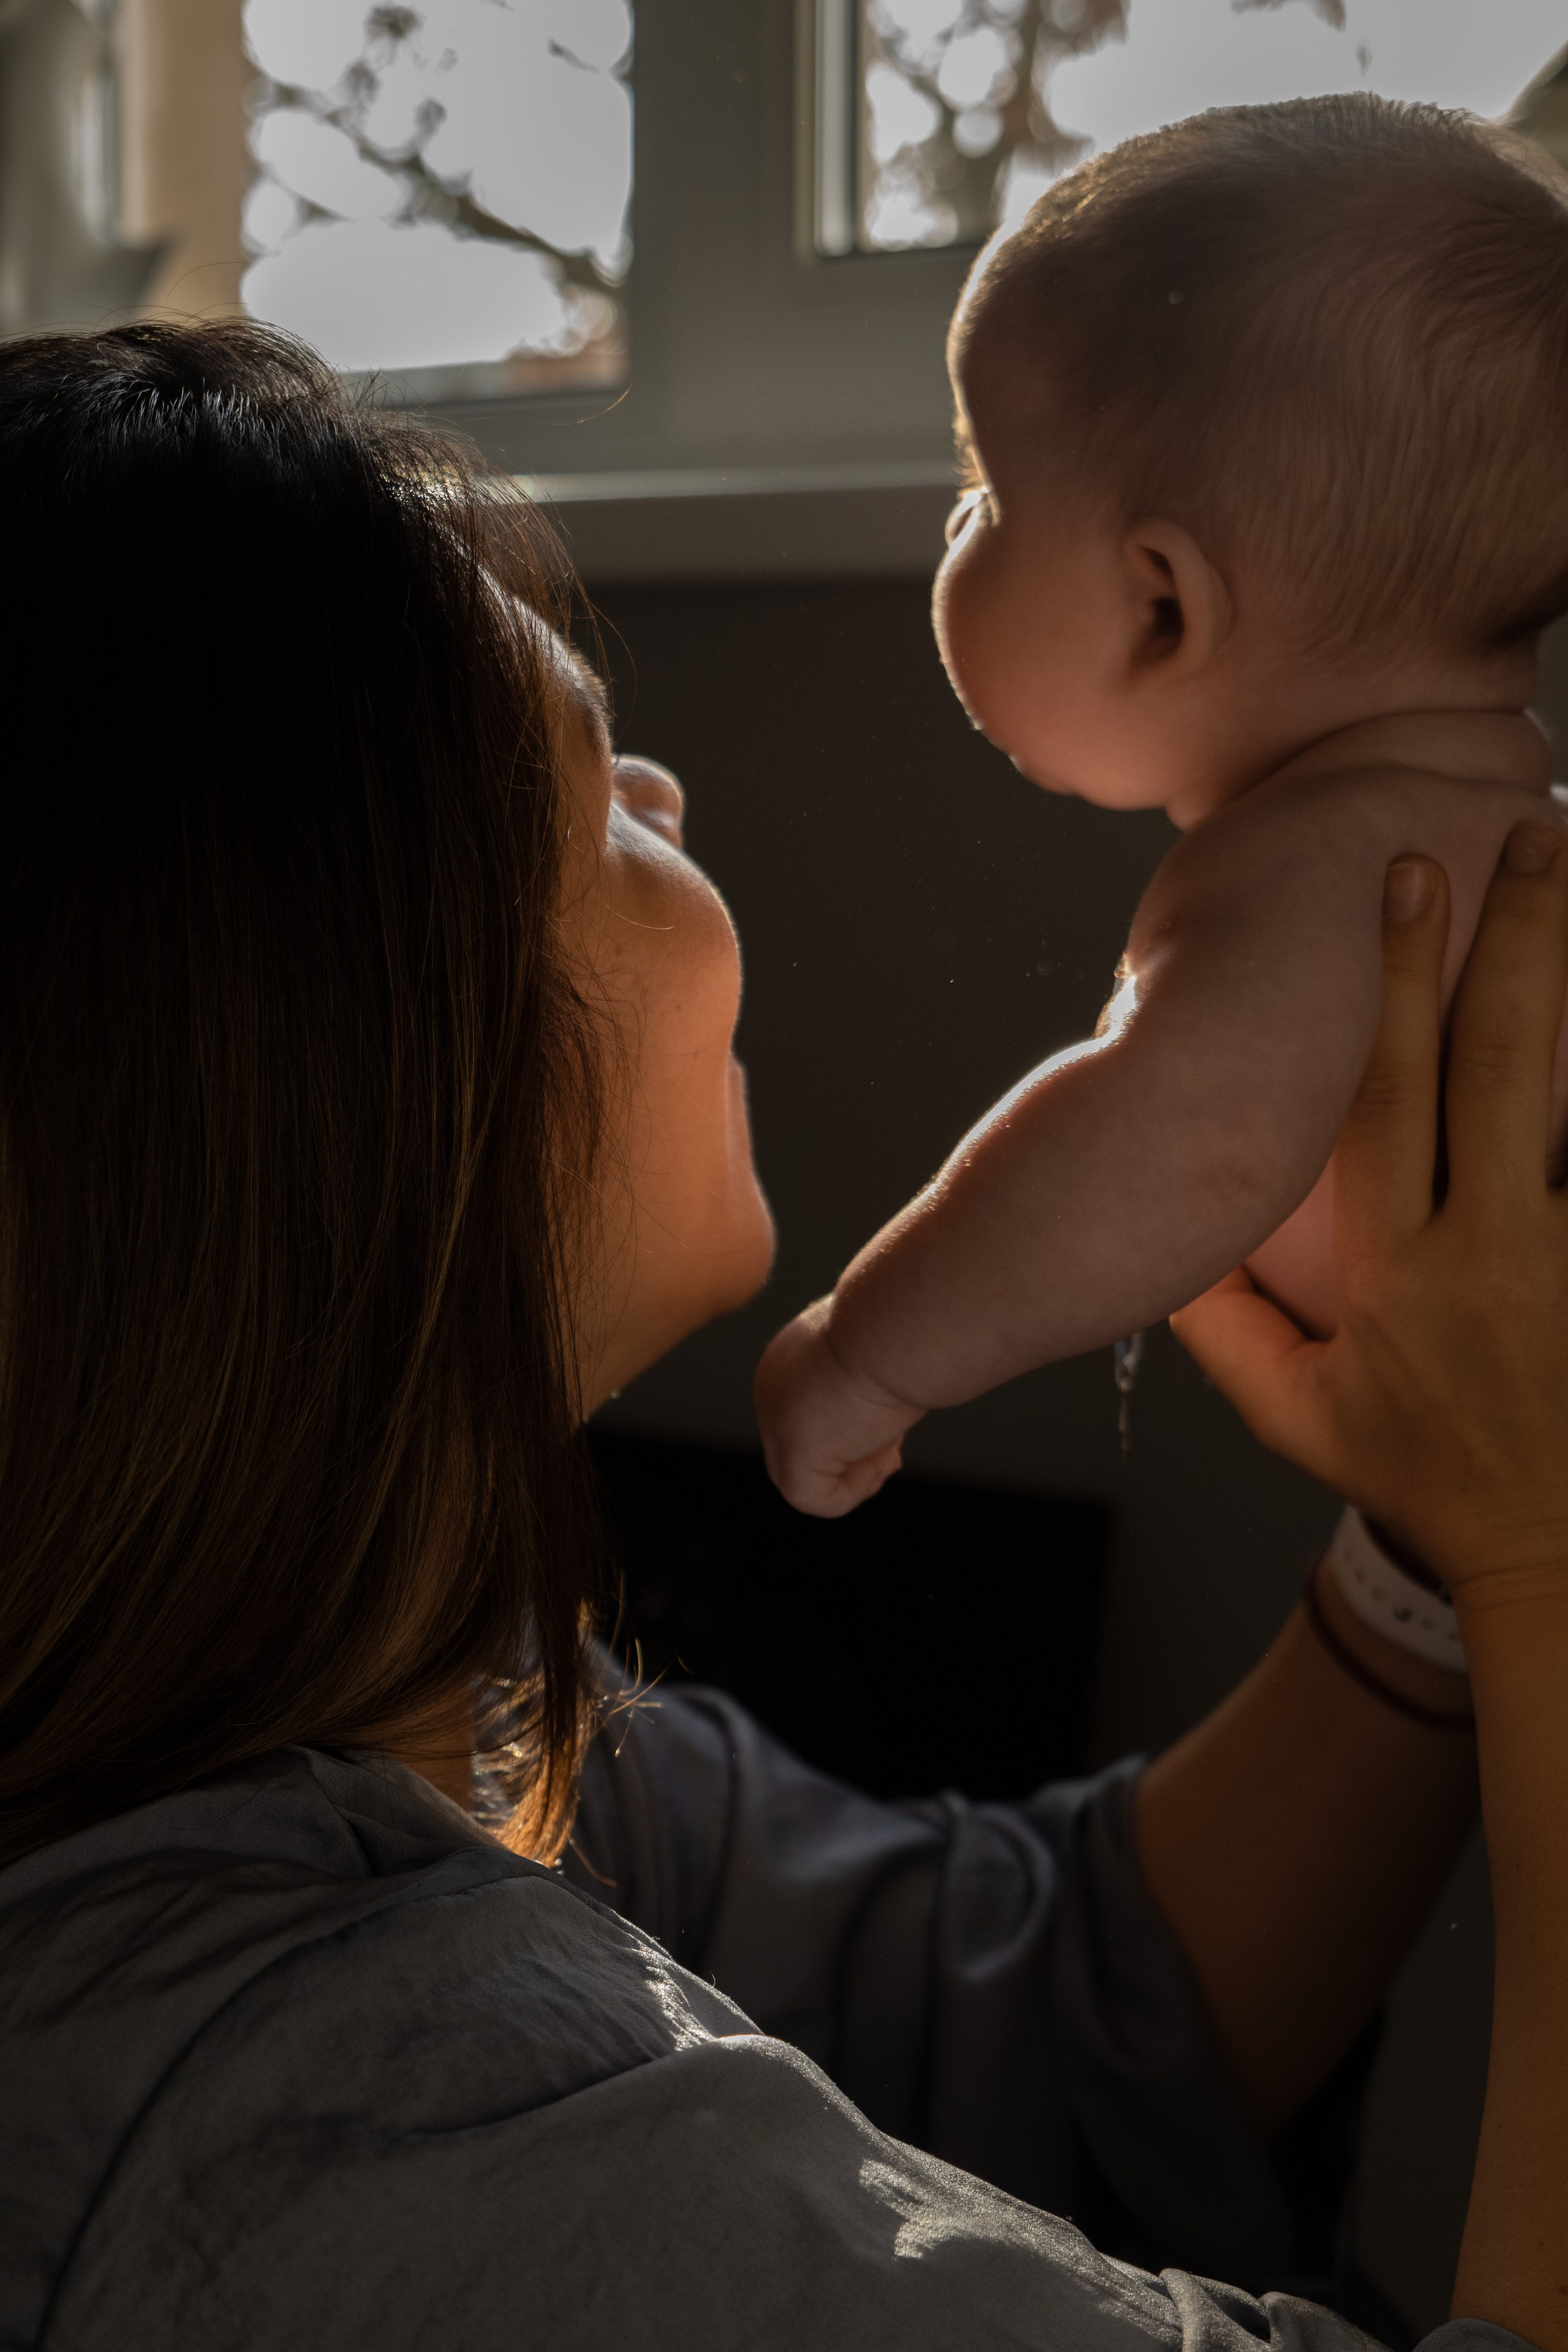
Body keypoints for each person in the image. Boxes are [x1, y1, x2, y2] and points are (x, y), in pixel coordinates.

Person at [0, 319, 1559, 2352]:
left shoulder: (402, 1701)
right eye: (593, 808)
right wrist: (1549, 1561)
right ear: (370, 1092)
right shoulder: (339, 2133)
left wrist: (1448, 1547)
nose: (668, 788)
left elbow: (1041, 1995)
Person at [753, 94, 1568, 1520]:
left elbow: (1169, 1140)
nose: (954, 525)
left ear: (1159, 607)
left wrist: (868, 1355)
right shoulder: (1482, 825)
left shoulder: (1328, 876)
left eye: (982, 488)